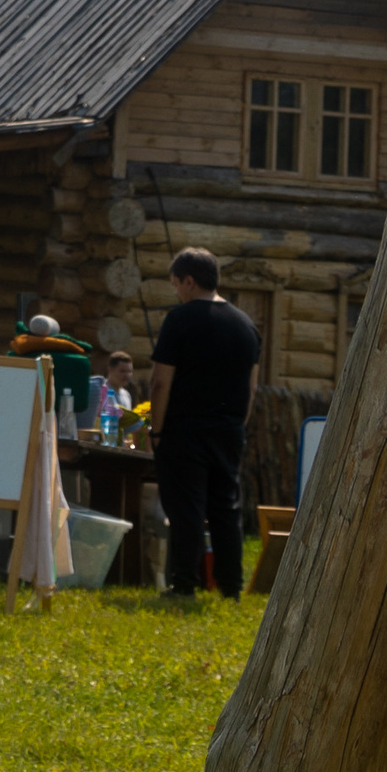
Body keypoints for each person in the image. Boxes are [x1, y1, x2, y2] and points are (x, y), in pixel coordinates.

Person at [149, 247, 260, 599]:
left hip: (184, 428)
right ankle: (231, 586)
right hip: (228, 429)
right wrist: (236, 424)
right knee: (226, 508)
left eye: (175, 284)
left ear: (189, 281)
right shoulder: (246, 325)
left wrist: (157, 430)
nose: (176, 292)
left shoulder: (180, 320)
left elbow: (160, 381)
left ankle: (184, 583)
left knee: (187, 508)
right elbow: (251, 387)